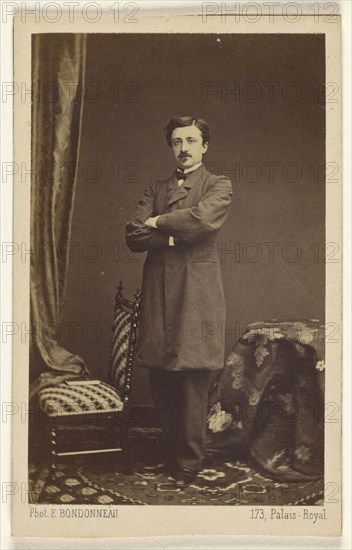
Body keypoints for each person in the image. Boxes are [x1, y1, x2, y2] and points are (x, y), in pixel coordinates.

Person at [125, 116, 233, 484]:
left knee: (191, 377)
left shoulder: (218, 185)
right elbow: (133, 235)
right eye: (176, 141)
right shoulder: (156, 187)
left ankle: (189, 461)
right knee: (161, 376)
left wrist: (157, 222)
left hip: (195, 293)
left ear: (205, 145)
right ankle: (167, 454)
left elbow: (202, 221)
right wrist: (171, 235)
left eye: (191, 140)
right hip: (159, 291)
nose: (184, 148)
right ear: (170, 147)